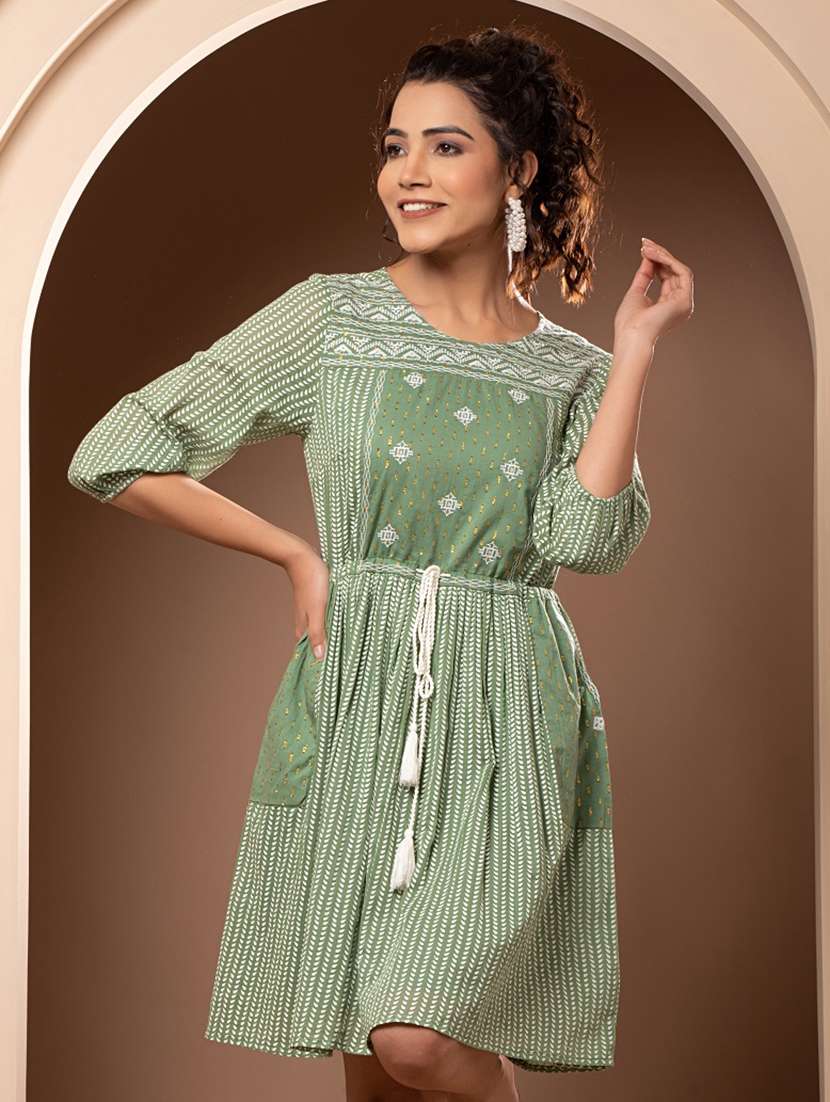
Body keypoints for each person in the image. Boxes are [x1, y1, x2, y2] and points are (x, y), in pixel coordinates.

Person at [66, 23, 692, 1102]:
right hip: (358, 693)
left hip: (505, 713)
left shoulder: (572, 371)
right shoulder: (331, 320)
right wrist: (292, 553)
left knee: (415, 1038)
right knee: (375, 1056)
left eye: (446, 146)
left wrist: (632, 350)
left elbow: (586, 541)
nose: (409, 172)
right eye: (396, 146)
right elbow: (113, 451)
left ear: (518, 169)